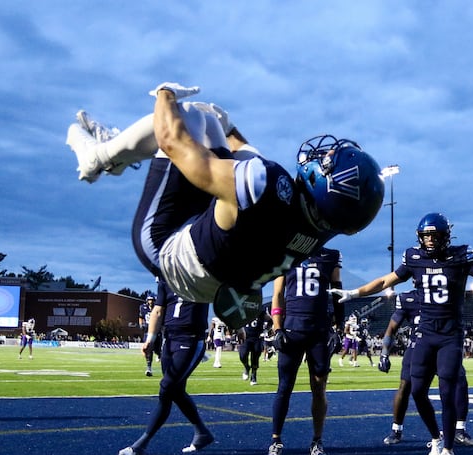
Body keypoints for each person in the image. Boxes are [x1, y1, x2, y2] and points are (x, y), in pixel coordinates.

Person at [65, 84, 385, 329]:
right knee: (210, 122)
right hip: (219, 274)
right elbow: (250, 159)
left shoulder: (267, 185)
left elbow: (171, 141)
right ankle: (118, 153)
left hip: (166, 250)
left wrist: (164, 94)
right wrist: (227, 128)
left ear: (326, 183)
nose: (321, 157)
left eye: (327, 162)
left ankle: (101, 156)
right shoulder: (322, 227)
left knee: (189, 115)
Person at [329, 212, 473, 455]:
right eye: (426, 236)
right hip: (424, 332)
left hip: (450, 334)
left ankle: (448, 449)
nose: (430, 241)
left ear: (446, 236)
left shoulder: (460, 256)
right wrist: (355, 292)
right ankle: (436, 438)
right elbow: (385, 280)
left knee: (447, 392)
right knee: (417, 391)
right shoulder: (413, 257)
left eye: (435, 235)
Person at [119, 280, 214, 455]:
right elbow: (158, 309)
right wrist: (151, 338)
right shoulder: (166, 278)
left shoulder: (202, 274)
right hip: (169, 340)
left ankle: (140, 445)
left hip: (190, 340)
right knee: (176, 392)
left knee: (166, 388)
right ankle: (202, 433)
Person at [267, 246, 344, 455]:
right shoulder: (287, 252)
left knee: (319, 388)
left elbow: (338, 291)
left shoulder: (330, 255)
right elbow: (278, 293)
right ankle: (275, 440)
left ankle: (317, 441)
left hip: (319, 331)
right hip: (292, 330)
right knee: (284, 387)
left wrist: (339, 327)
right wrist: (277, 327)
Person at [380, 289, 473, 447]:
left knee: (460, 380)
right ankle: (396, 429)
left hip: (442, 346)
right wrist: (384, 354)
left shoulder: (443, 294)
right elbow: (392, 327)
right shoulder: (408, 298)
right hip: (417, 347)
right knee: (405, 386)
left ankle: (459, 430)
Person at [239, 307, 269, 385]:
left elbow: (270, 319)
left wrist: (266, 330)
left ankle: (253, 375)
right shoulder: (242, 310)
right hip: (246, 337)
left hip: (257, 337)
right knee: (242, 355)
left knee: (255, 357)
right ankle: (246, 367)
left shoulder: (260, 311)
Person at [139, 294, 161, 376]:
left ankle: (159, 354)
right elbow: (140, 317)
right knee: (148, 349)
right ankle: (149, 368)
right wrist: (141, 324)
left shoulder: (158, 308)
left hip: (157, 331)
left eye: (152, 300)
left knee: (157, 350)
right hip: (147, 332)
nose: (150, 302)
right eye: (149, 300)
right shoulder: (143, 308)